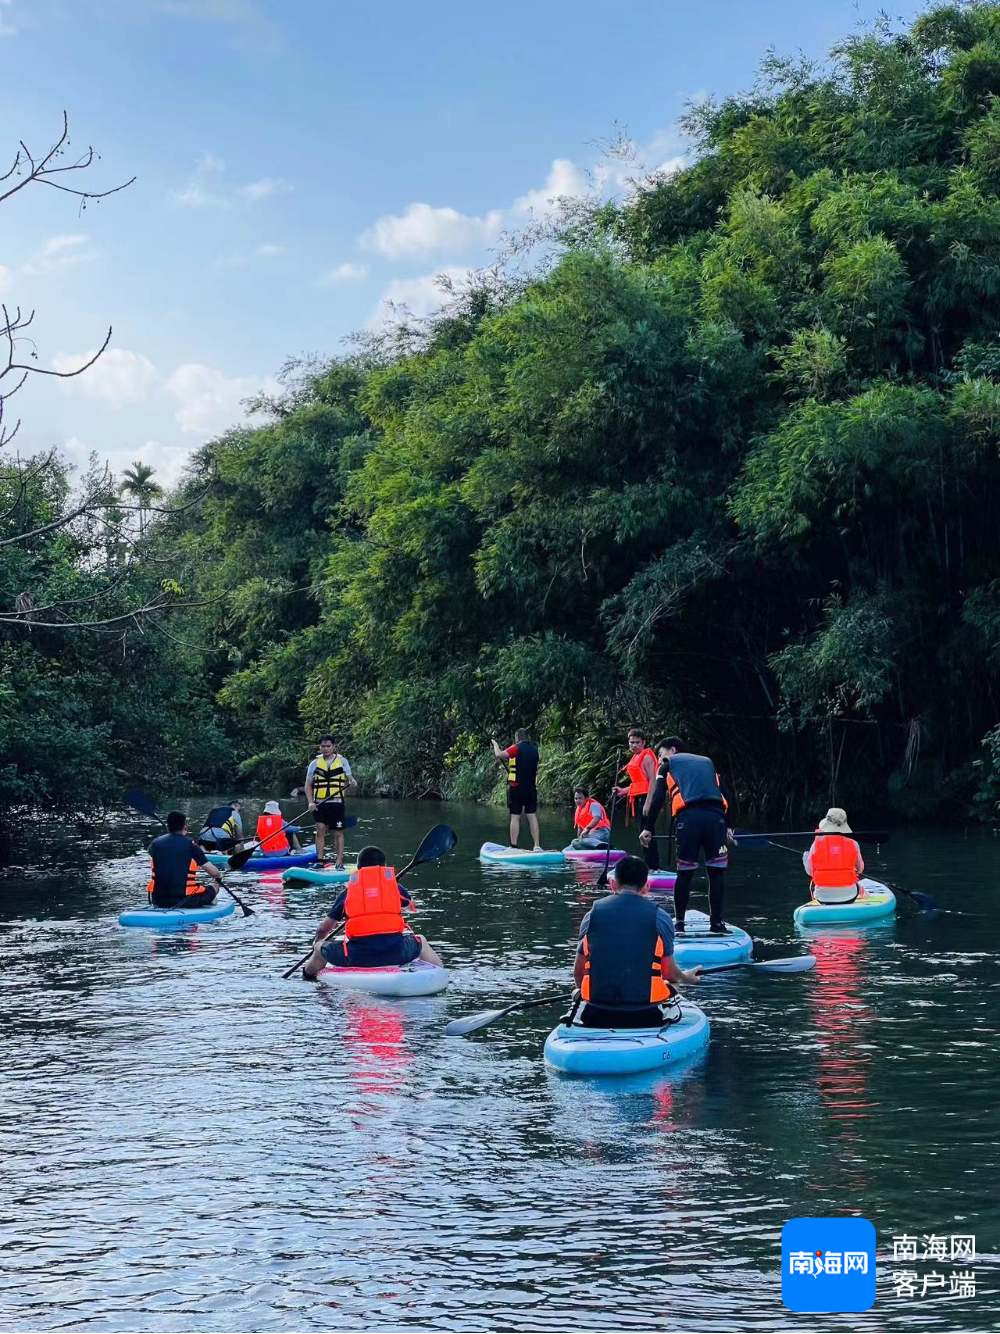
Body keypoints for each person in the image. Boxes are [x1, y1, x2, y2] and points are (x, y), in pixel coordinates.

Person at [572, 855, 700, 1027]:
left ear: (613, 885)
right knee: (672, 983)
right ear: (646, 887)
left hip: (596, 1014)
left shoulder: (591, 916)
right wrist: (686, 977)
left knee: (576, 991)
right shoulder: (661, 917)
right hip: (646, 1015)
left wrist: (588, 995)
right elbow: (669, 972)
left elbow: (578, 973)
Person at [302, 845, 443, 978]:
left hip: (358, 957)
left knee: (320, 947)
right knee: (421, 941)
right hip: (396, 953)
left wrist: (316, 944)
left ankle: (307, 976)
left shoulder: (348, 893)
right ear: (384, 866)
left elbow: (322, 929)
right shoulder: (395, 888)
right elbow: (412, 907)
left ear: (358, 868)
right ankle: (441, 974)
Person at [644, 737, 734, 935]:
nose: (659, 760)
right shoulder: (707, 764)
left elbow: (658, 797)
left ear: (672, 750)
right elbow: (727, 796)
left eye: (660, 754)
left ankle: (680, 926)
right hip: (716, 820)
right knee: (716, 873)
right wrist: (729, 826)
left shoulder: (667, 765)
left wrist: (648, 827)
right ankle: (717, 924)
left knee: (685, 874)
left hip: (689, 821)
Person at [148, 811, 224, 909]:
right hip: (185, 900)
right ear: (185, 827)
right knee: (215, 887)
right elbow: (213, 872)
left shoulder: (154, 844)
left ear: (168, 827)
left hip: (158, 900)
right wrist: (219, 876)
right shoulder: (191, 846)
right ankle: (210, 900)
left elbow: (167, 856)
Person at [306, 734, 358, 869]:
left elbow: (349, 777)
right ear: (319, 747)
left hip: (336, 802)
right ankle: (320, 860)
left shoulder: (342, 761)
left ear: (334, 746)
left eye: (328, 746)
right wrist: (311, 802)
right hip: (320, 803)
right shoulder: (314, 764)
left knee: (338, 832)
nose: (325, 749)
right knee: (320, 829)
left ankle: (339, 861)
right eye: (322, 746)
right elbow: (308, 785)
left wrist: (352, 781)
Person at [615, 728, 659, 867]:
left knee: (646, 832)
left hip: (648, 797)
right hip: (641, 797)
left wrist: (648, 802)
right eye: (631, 742)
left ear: (643, 742)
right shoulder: (634, 757)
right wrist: (622, 791)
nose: (634, 745)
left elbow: (653, 780)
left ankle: (653, 866)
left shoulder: (646, 757)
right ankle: (650, 864)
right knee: (643, 832)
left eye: (637, 742)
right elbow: (639, 783)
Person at [491, 728, 541, 850]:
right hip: (531, 789)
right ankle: (537, 846)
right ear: (527, 737)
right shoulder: (535, 751)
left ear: (517, 737)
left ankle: (513, 846)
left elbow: (499, 755)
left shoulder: (516, 747)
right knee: (531, 815)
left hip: (516, 788)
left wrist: (495, 744)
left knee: (515, 816)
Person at [803, 808, 865, 904]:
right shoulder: (853, 843)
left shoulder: (816, 844)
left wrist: (805, 857)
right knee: (857, 886)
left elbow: (809, 871)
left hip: (822, 897)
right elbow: (860, 869)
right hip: (849, 896)